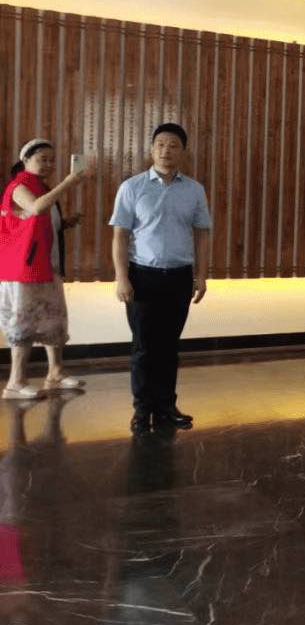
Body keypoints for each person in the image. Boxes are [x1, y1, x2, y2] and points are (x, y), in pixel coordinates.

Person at [110, 124, 212, 435]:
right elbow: (120, 235)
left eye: (173, 145)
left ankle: (166, 405)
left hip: (179, 277)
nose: (166, 150)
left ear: (183, 151)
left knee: (169, 346)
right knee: (144, 347)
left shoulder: (194, 190)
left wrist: (201, 275)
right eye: (160, 144)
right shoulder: (132, 187)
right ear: (152, 148)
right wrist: (121, 278)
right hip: (142, 276)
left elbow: (202, 234)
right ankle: (142, 409)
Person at [1, 139, 92, 398]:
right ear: (25, 160)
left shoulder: (41, 187)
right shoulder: (18, 186)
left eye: (52, 160)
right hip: (24, 268)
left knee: (54, 317)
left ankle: (55, 373)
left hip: (45, 264)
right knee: (24, 322)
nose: (49, 164)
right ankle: (15, 382)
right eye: (42, 159)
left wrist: (65, 222)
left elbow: (36, 223)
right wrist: (69, 182)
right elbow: (36, 208)